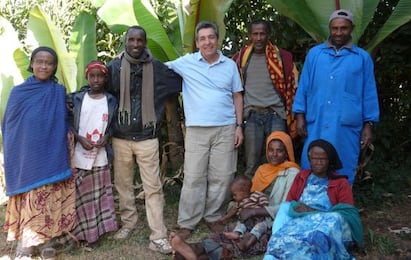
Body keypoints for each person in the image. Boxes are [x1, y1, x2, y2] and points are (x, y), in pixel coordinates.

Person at [106, 25, 182, 254]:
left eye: (140, 40)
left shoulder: (158, 69)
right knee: (123, 184)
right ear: (126, 41)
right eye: (132, 40)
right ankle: (129, 223)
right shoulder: (114, 67)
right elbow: (101, 90)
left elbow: (180, 82)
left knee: (153, 187)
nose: (136, 44)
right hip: (121, 136)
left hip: (148, 138)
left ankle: (158, 235)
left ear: (145, 42)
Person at [166, 21, 244, 239]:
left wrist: (239, 126)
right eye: (202, 38)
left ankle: (213, 216)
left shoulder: (229, 65)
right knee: (193, 176)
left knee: (222, 175)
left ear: (217, 40)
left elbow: (237, 95)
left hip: (226, 128)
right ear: (197, 42)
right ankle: (187, 222)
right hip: (197, 129)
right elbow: (159, 67)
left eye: (211, 37)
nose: (207, 42)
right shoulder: (186, 63)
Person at [169, 131, 300, 259]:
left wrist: (255, 211)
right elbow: (247, 196)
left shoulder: (292, 173)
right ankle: (192, 250)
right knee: (227, 234)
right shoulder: (263, 169)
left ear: (287, 152)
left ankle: (189, 253)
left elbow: (287, 207)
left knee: (245, 242)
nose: (274, 154)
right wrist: (241, 208)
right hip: (249, 217)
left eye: (280, 151)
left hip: (271, 222)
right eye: (271, 150)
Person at [2, 46, 76, 259]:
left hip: (51, 153)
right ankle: (25, 245)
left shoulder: (58, 91)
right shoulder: (19, 93)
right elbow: (10, 126)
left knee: (49, 197)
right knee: (31, 199)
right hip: (28, 156)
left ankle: (47, 243)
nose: (44, 66)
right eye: (40, 62)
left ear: (54, 67)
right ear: (31, 64)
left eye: (49, 63)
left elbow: (63, 119)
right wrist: (16, 153)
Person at [292, 9, 380, 184]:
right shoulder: (315, 55)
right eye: (335, 28)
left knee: (344, 164)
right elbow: (303, 87)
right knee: (312, 163)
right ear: (330, 29)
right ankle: (311, 202)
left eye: (344, 28)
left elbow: (369, 92)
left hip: (346, 126)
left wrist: (368, 124)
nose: (339, 33)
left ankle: (341, 205)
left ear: (352, 28)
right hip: (317, 121)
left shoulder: (362, 58)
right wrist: (300, 115)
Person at [264, 139, 364, 259]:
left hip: (325, 223)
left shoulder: (341, 182)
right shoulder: (301, 177)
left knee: (335, 218)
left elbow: (348, 214)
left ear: (329, 160)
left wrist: (312, 211)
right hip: (301, 219)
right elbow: (291, 202)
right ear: (309, 159)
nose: (318, 162)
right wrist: (299, 209)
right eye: (315, 159)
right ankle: (278, 239)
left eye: (323, 159)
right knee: (285, 206)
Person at [233, 19, 298, 177]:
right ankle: (250, 198)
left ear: (268, 35)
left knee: (279, 160)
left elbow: (293, 85)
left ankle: (279, 196)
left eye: (262, 33)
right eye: (255, 34)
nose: (259, 38)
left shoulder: (281, 58)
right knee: (251, 163)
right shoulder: (241, 58)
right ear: (250, 35)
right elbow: (233, 89)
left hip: (276, 115)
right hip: (252, 116)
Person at [66, 61, 118, 250]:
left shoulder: (111, 100)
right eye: (92, 76)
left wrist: (107, 136)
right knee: (80, 197)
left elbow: (112, 125)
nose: (96, 80)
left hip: (100, 156)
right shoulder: (77, 98)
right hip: (79, 155)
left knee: (97, 197)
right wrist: (79, 138)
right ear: (87, 78)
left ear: (106, 78)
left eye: (100, 76)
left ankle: (94, 234)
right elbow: (68, 121)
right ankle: (78, 234)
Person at [217, 175, 269, 251]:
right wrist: (225, 218)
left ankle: (248, 242)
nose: (234, 197)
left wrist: (258, 210)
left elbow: (266, 206)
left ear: (244, 191)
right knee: (240, 224)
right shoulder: (240, 202)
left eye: (235, 195)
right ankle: (236, 233)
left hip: (261, 220)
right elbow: (234, 211)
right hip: (247, 221)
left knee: (259, 228)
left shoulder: (257, 195)